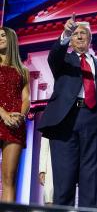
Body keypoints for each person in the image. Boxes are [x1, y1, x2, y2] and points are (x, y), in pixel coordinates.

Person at [37, 15, 97, 208]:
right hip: (65, 122)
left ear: (90, 39)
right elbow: (54, 54)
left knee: (92, 185)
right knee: (64, 183)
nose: (80, 36)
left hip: (94, 122)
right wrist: (65, 33)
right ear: (71, 40)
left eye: (84, 33)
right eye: (75, 34)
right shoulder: (62, 61)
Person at [0, 27, 30, 202]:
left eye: (3, 35)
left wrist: (20, 116)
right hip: (2, 116)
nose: (0, 39)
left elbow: (26, 98)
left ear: (11, 39)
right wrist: (3, 114)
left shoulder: (22, 70)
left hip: (15, 124)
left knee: (9, 179)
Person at [39, 137, 53, 205]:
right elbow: (44, 146)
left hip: (68, 163)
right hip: (50, 164)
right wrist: (42, 170)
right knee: (49, 196)